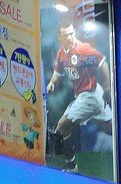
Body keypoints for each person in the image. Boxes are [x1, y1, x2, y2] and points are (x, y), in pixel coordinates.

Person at [46, 21, 112, 174]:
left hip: (90, 95)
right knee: (109, 127)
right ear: (59, 37)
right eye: (65, 35)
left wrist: (107, 87)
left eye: (71, 34)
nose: (69, 37)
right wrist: (51, 83)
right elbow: (58, 73)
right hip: (87, 96)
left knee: (62, 126)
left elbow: (102, 63)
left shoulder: (83, 49)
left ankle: (71, 166)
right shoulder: (61, 54)